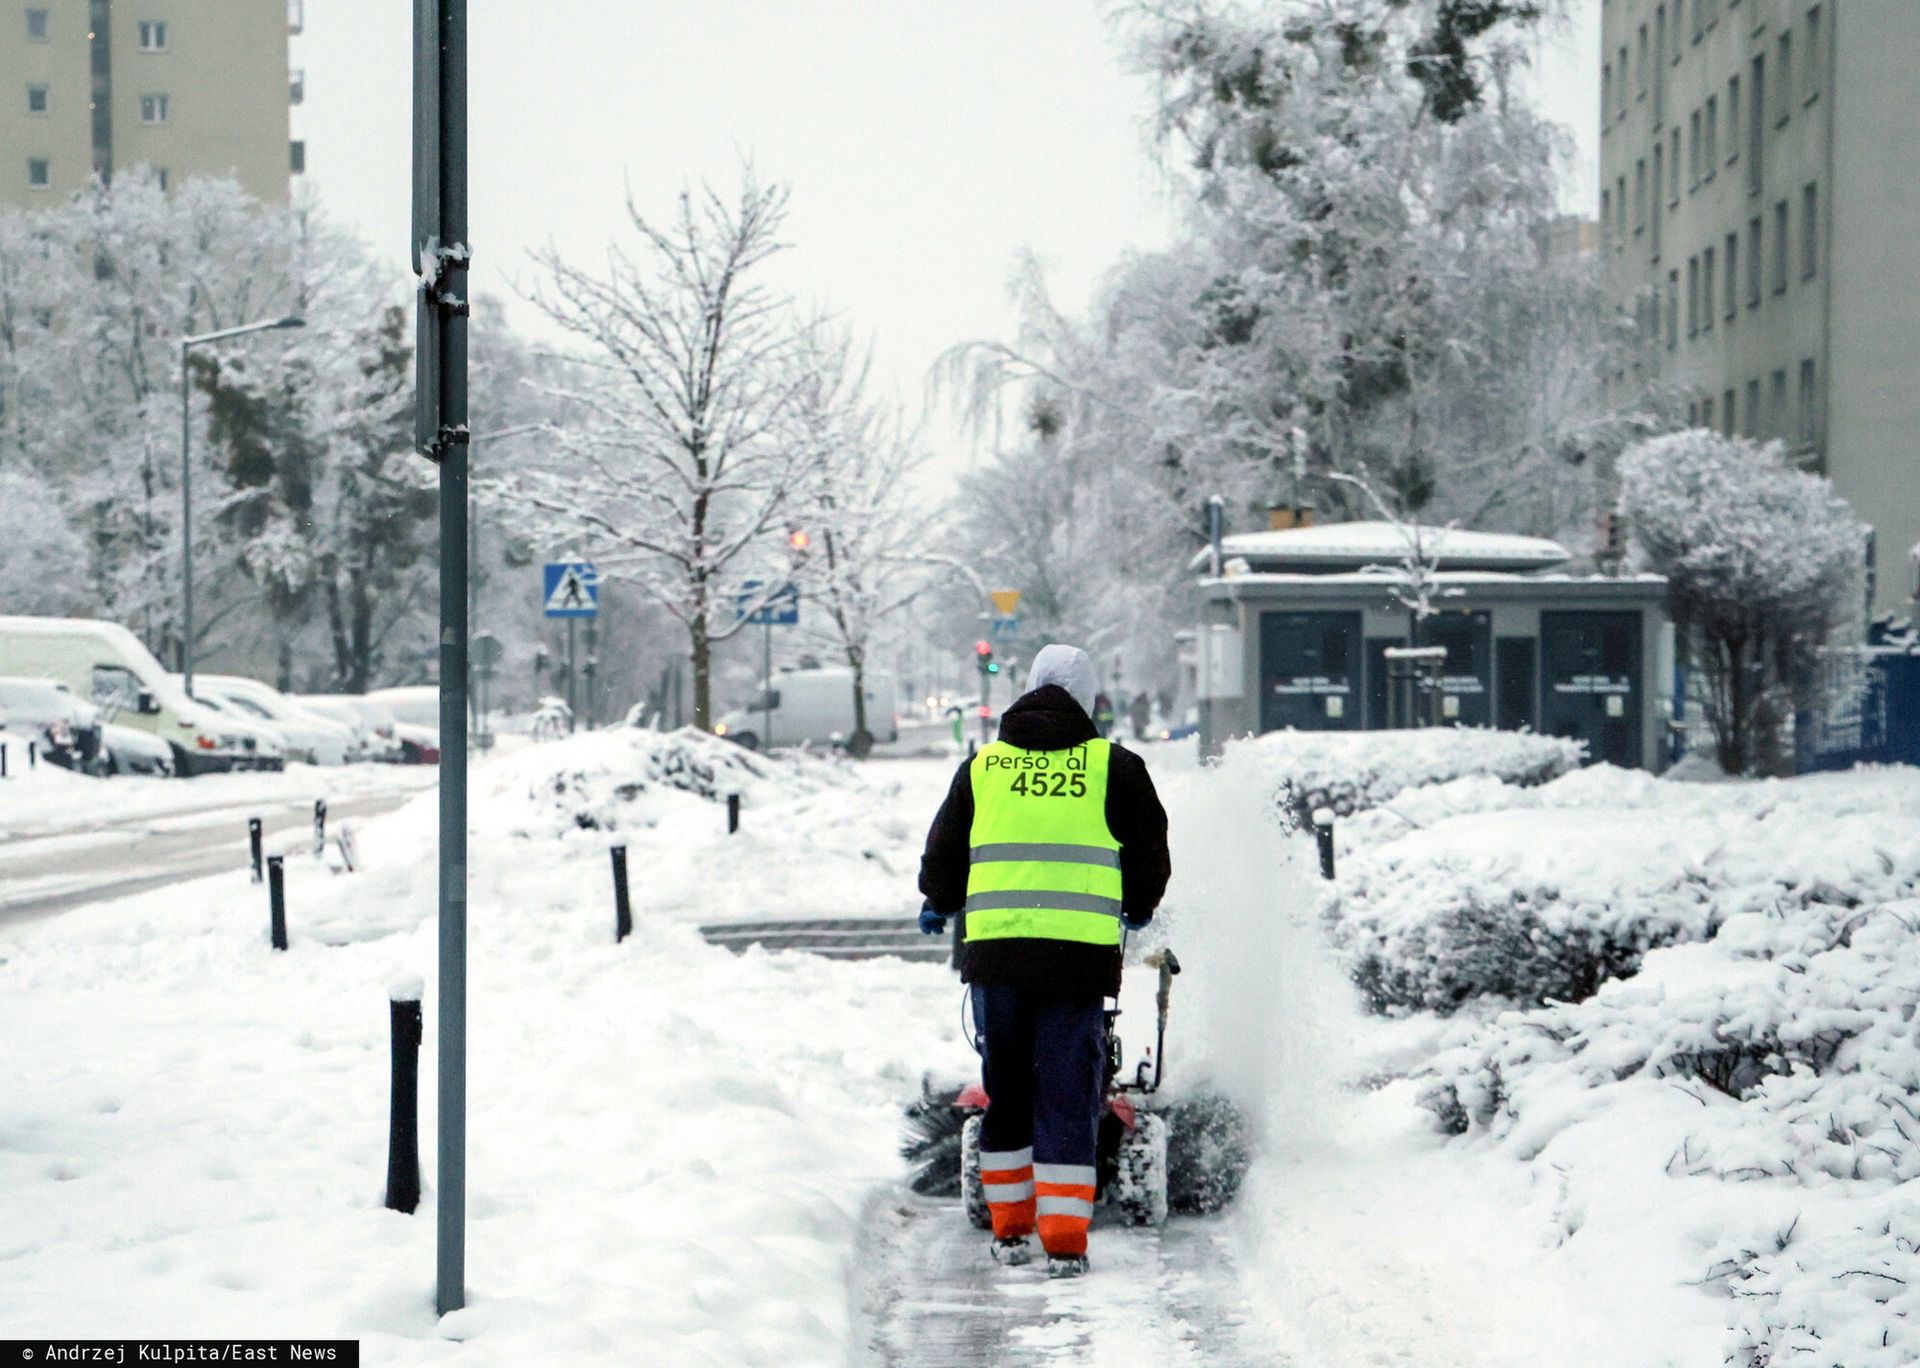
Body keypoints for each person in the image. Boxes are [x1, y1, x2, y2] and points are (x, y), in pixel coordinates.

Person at [917, 643, 1171, 1278]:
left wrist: (937, 901)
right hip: (1077, 961)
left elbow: (948, 842)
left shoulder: (983, 767)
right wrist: (1139, 905)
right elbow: (1148, 847)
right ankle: (1063, 1239)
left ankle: (1009, 1232)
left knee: (1006, 1089)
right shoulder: (1114, 767)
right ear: (1088, 700)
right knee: (1065, 1089)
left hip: (997, 957)